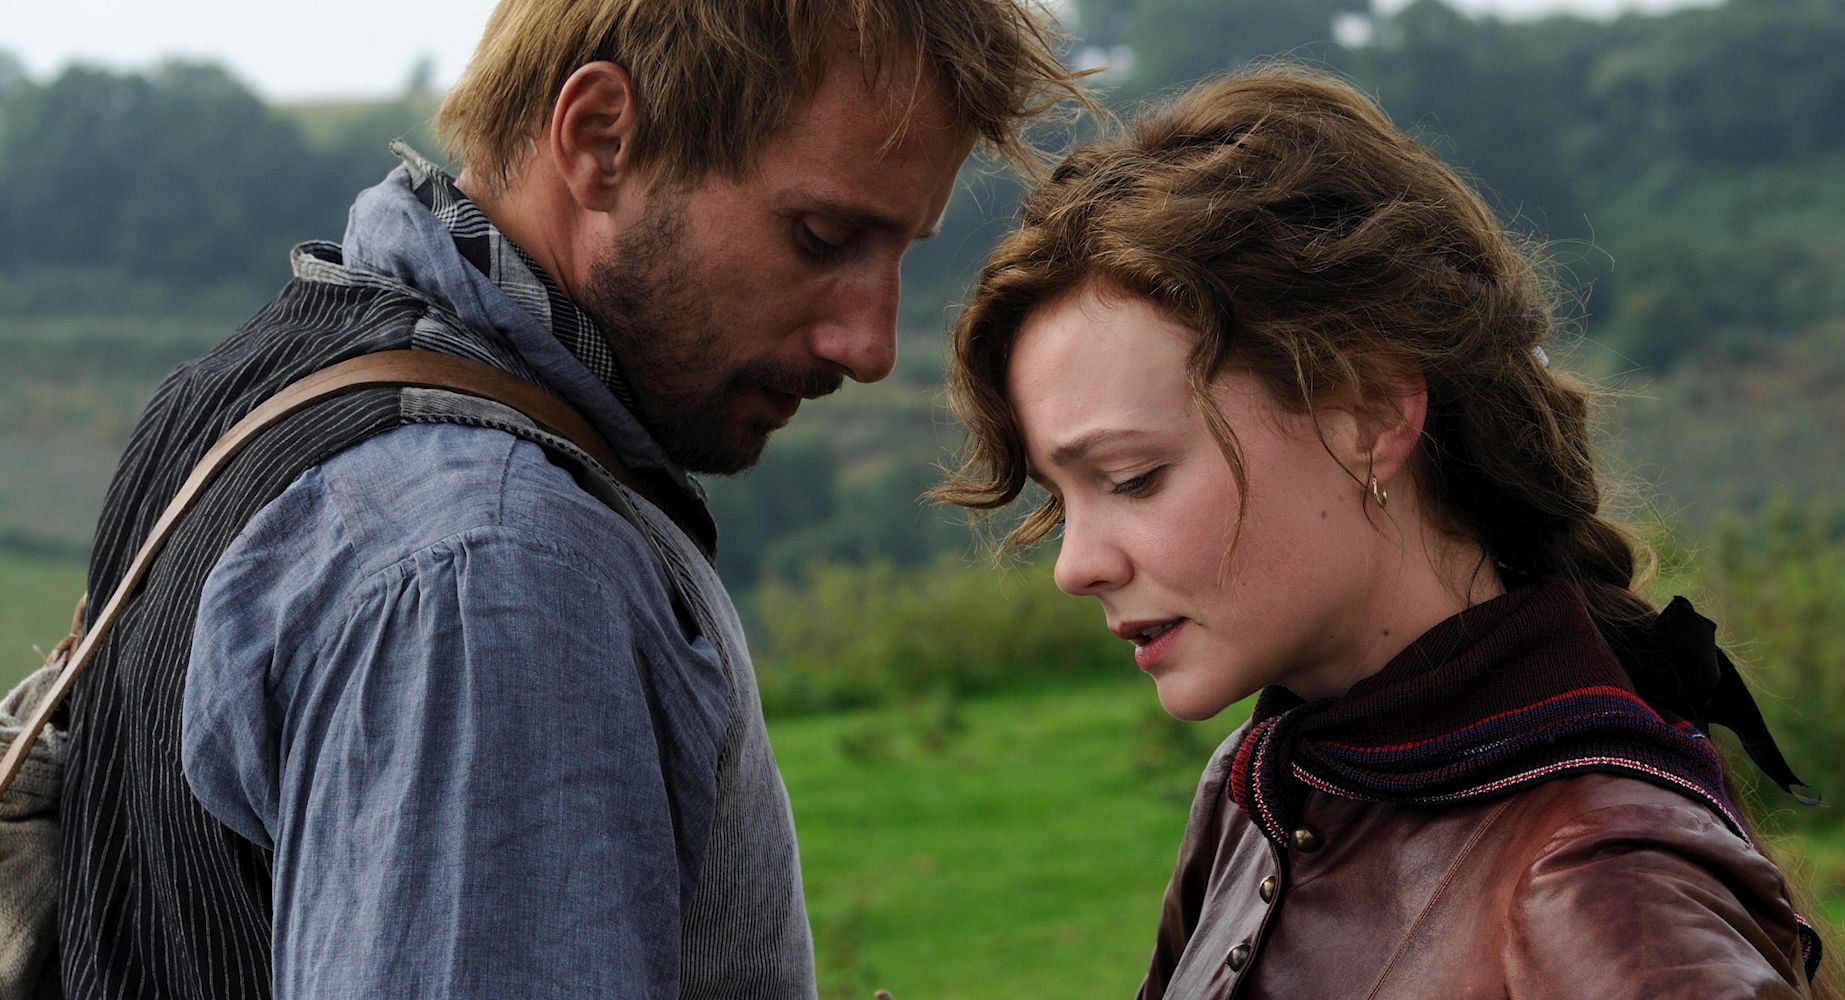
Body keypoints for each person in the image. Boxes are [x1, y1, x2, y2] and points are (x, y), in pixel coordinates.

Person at [53, 2, 1084, 997]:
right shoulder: (496, 568)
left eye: (901, 253)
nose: (867, 344)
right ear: (598, 139)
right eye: (819, 236)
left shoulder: (235, 393)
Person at [936, 66, 1829, 998]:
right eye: (1061, 498)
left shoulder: (1600, 889)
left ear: (1367, 417)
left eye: (1133, 478)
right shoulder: (1266, 788)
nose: (1075, 566)